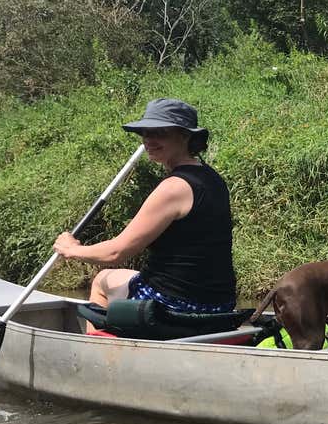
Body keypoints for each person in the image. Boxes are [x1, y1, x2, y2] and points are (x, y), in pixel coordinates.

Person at [53, 98, 237, 329]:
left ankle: (99, 354)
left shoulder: (173, 188)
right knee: (128, 276)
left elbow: (115, 253)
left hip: (174, 304)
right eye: (145, 133)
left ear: (185, 136)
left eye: (159, 133)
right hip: (220, 303)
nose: (149, 140)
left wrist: (72, 250)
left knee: (101, 281)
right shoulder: (212, 178)